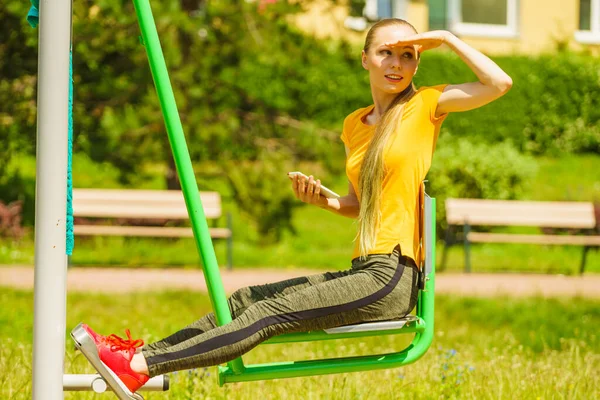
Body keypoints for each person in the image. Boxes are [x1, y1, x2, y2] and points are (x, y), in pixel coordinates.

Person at [80, 18, 512, 393]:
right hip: (366, 267)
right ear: (365, 58)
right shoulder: (354, 125)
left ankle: (138, 369)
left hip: (393, 275)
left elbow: (499, 83)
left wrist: (449, 40)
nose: (397, 64)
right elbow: (358, 205)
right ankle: (139, 355)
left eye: (408, 55)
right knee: (244, 297)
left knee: (269, 314)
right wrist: (324, 200)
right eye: (386, 53)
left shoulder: (426, 105)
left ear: (418, 63)